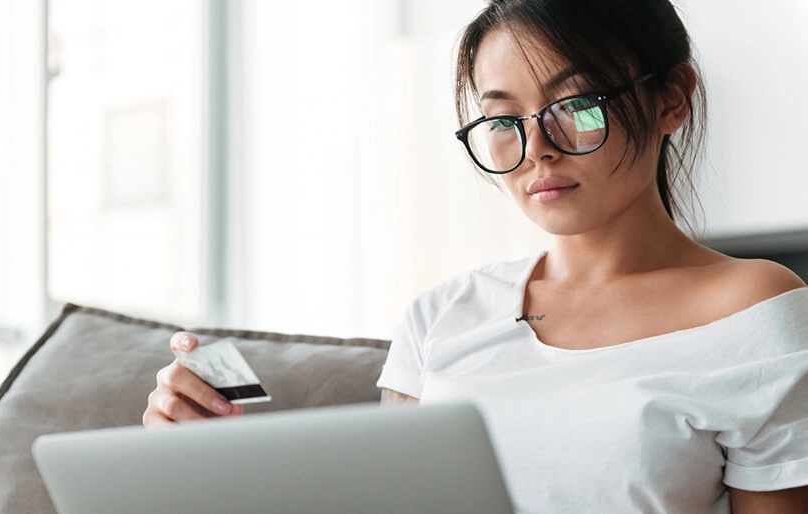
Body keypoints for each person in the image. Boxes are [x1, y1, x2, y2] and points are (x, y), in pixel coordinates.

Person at [143, 0, 808, 511]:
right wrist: (220, 455)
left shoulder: (755, 313)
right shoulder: (445, 315)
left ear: (671, 98)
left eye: (574, 105)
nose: (537, 147)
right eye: (501, 121)